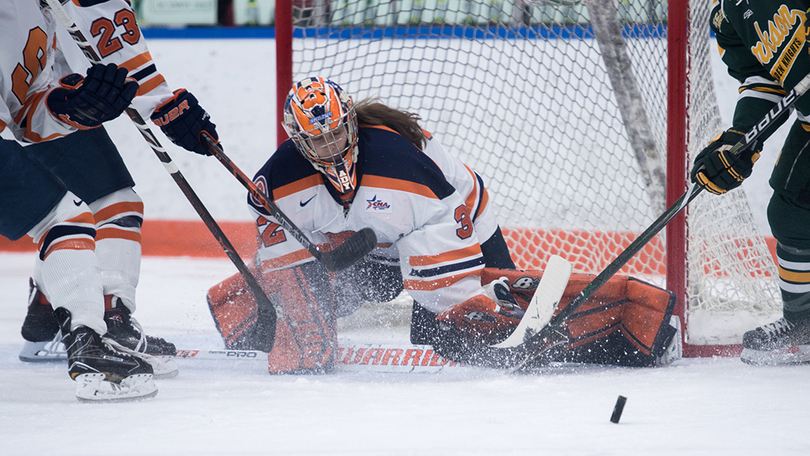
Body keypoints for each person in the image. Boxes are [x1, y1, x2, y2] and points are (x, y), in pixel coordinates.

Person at [207, 77, 681, 372]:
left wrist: (461, 305)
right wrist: (295, 316)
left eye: (337, 133)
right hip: (375, 240)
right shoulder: (279, 182)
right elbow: (285, 250)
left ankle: (625, 320)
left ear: (350, 122)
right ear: (297, 141)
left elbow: (440, 235)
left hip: (457, 219)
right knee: (305, 312)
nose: (331, 148)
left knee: (452, 332)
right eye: (318, 140)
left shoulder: (402, 169)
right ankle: (245, 311)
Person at [2, 0, 218, 400]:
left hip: (38, 94)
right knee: (64, 218)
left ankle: (101, 321)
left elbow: (23, 111)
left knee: (115, 202)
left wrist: (72, 107)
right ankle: (88, 347)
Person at [691, 0, 810, 365]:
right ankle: (803, 323)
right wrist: (740, 138)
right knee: (790, 210)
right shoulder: (729, 16)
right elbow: (763, 80)